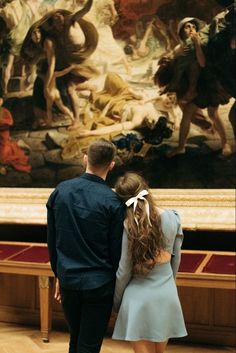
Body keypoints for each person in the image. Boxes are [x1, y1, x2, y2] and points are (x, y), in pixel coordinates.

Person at [47, 138, 124, 353]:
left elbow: (52, 241)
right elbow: (116, 250)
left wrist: (59, 275)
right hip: (100, 284)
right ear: (111, 165)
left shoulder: (60, 191)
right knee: (89, 345)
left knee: (76, 338)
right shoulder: (113, 201)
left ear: (84, 159)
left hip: (68, 279)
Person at [112, 172, 187, 353]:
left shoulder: (129, 225)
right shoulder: (173, 217)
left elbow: (124, 269)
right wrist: (169, 286)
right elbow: (176, 259)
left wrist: (117, 301)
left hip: (137, 298)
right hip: (166, 293)